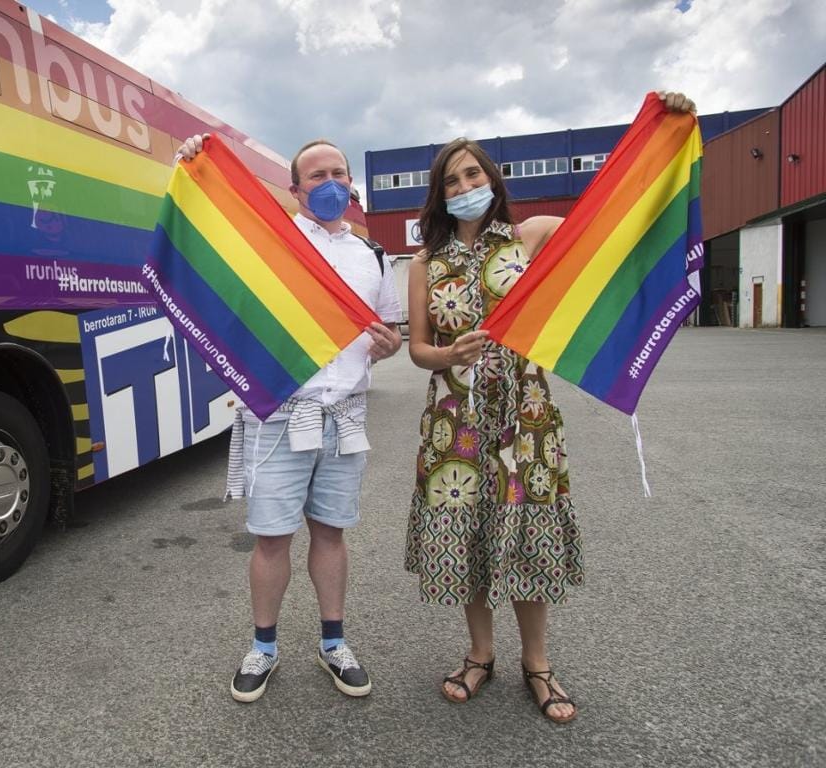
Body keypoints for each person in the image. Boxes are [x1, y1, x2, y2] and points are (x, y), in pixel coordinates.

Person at [403, 92, 696, 724]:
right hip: (454, 419)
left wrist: (662, 133)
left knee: (528, 537)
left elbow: (613, 227)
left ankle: (538, 663)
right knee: (470, 538)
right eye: (452, 180)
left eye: (473, 173)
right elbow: (418, 350)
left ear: (492, 178)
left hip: (525, 413)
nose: (465, 186)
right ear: (439, 193)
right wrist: (449, 353)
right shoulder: (427, 263)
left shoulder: (532, 236)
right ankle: (480, 655)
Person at [177, 134, 403, 703]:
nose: (330, 184)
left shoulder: (374, 256)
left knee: (331, 533)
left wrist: (386, 345)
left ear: (352, 183)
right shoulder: (269, 244)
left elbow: (392, 332)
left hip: (344, 416)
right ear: (295, 189)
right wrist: (192, 166)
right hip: (279, 415)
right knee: (272, 539)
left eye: (339, 173)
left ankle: (334, 642)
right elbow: (211, 237)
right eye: (317, 175)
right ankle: (264, 647)